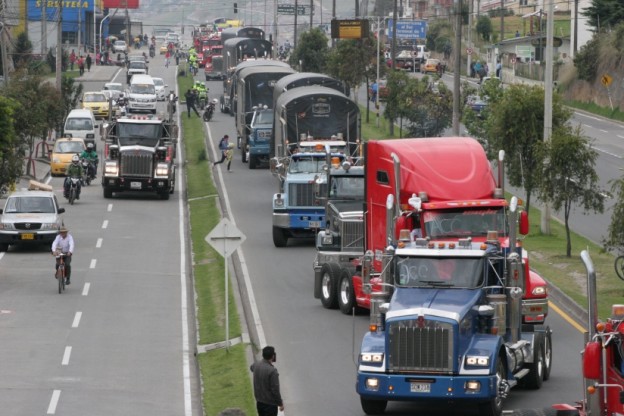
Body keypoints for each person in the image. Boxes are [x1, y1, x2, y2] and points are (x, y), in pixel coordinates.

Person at [250, 346, 284, 416]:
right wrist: (280, 404)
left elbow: (251, 368)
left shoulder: (256, 365)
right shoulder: (272, 371)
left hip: (259, 402)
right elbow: (275, 390)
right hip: (270, 405)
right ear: (273, 356)